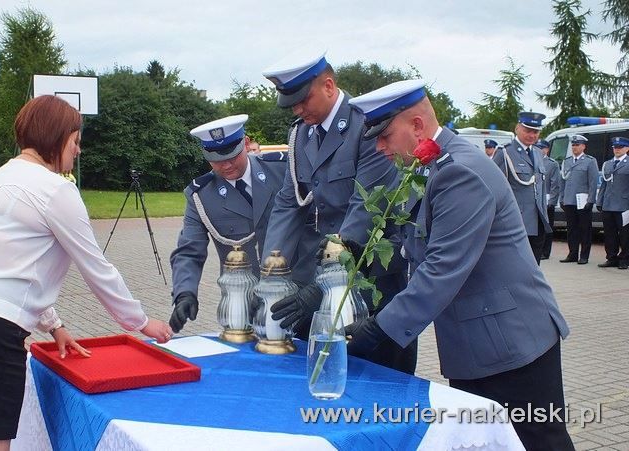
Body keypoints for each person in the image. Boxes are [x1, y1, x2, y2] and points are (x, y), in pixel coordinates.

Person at [0, 95, 173, 450]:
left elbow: (11, 264)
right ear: (56, 137)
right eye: (75, 142)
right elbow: (96, 266)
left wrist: (54, 325)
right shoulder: (56, 190)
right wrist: (140, 321)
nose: (78, 151)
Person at [345, 79, 573, 450]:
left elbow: (442, 268)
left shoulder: (459, 172)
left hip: (512, 345)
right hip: (477, 344)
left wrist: (378, 330)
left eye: (384, 135)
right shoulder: (427, 168)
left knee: (538, 442)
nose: (379, 146)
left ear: (417, 126)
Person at [260, 51, 415, 374]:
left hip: (370, 278)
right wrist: (270, 272)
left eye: (303, 100)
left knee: (378, 382)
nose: (298, 110)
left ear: (329, 85)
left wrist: (325, 283)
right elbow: (289, 203)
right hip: (319, 278)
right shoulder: (301, 134)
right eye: (292, 105)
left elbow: (367, 209)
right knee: (320, 373)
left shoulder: (366, 124)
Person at [169, 114, 292, 333]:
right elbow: (189, 251)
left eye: (232, 155)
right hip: (242, 304)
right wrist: (184, 293)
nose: (226, 165)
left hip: (293, 298)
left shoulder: (282, 171)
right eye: (216, 159)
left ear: (245, 143)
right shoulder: (201, 195)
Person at [492, 112, 551, 265]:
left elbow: (540, 186)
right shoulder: (504, 152)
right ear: (517, 128)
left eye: (536, 132)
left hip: (538, 220)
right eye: (528, 130)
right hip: (516, 221)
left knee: (534, 267)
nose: (532, 135)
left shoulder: (538, 153)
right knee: (515, 266)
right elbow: (496, 189)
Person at [559, 134, 599, 264]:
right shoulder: (567, 161)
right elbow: (562, 181)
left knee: (584, 229)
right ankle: (572, 254)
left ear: (583, 146)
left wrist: (591, 200)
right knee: (571, 229)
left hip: (583, 201)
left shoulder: (590, 161)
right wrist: (562, 198)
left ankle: (584, 256)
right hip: (569, 200)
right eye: (573, 145)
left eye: (577, 145)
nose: (574, 147)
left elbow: (593, 182)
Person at [596, 136, 629, 269]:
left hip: (624, 205)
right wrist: (600, 201)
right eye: (615, 147)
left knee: (625, 235)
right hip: (608, 204)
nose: (617, 150)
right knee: (609, 234)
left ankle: (624, 259)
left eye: (620, 147)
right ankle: (611, 257)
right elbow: (604, 184)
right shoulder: (608, 164)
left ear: (627, 148)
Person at [537, 139, 561, 260]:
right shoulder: (533, 160)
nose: (539, 150)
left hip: (547, 201)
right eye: (537, 147)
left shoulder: (552, 164)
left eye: (542, 148)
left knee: (547, 227)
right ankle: (537, 249)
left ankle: (546, 251)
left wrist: (552, 201)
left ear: (546, 149)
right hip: (535, 200)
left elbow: (555, 185)